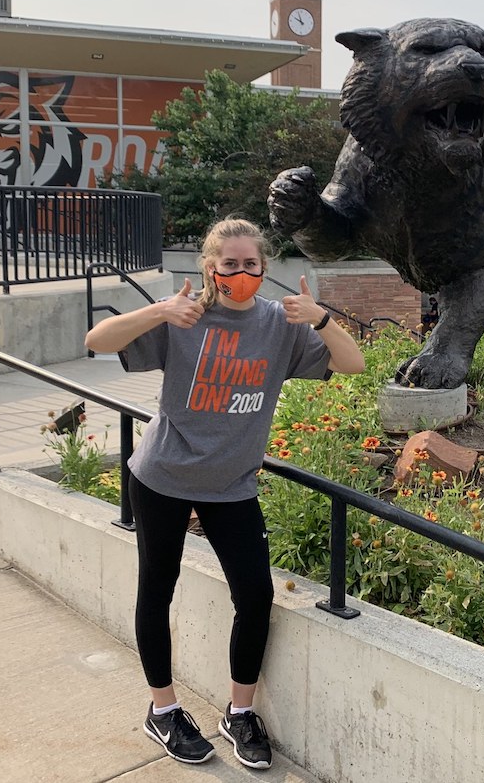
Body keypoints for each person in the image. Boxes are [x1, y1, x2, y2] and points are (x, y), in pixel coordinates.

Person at [85, 217, 365, 769]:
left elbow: (352, 363)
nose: (240, 273)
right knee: (156, 590)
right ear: (209, 269)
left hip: (233, 485)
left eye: (251, 264)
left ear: (264, 268)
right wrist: (160, 310)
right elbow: (97, 341)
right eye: (229, 264)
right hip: (162, 476)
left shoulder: (279, 326)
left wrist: (323, 319)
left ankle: (239, 713)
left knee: (256, 595)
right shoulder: (185, 317)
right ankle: (163, 711)